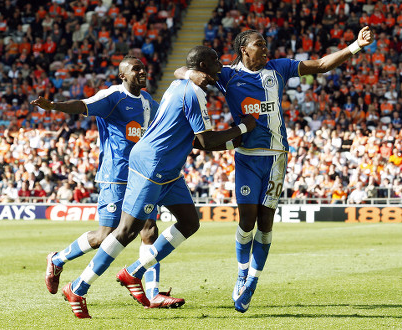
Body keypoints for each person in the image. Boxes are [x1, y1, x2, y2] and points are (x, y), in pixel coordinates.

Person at [175, 26, 374, 313]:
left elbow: (319, 65)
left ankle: (251, 284)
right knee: (246, 221)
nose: (266, 48)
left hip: (276, 157)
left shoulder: (278, 68)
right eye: (260, 44)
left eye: (266, 44)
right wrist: (188, 74)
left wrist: (355, 45)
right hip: (246, 157)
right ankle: (241, 273)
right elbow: (182, 70)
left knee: (265, 224)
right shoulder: (229, 75)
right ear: (244, 48)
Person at [59, 46, 256, 318]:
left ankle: (134, 272)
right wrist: (243, 128)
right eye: (215, 63)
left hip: (169, 168)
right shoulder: (193, 93)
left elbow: (199, 141)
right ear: (201, 65)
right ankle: (78, 288)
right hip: (152, 166)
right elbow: (205, 141)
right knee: (127, 231)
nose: (220, 67)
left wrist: (236, 139)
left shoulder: (178, 84)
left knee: (189, 222)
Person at [30, 55, 184, 317]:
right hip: (115, 175)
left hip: (143, 175)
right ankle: (57, 259)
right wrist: (54, 106)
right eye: (136, 69)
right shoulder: (113, 96)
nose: (142, 72)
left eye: (143, 68)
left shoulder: (149, 102)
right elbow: (82, 105)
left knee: (149, 229)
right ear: (123, 75)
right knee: (106, 235)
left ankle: (153, 292)